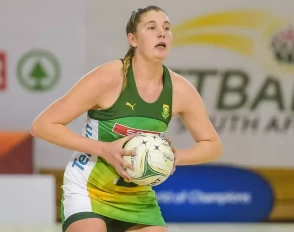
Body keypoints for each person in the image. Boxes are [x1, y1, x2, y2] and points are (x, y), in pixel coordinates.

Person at [30, 5, 222, 232]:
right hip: (89, 190)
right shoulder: (109, 77)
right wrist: (104, 149)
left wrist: (172, 157)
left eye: (167, 28)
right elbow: (42, 125)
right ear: (133, 39)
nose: (162, 33)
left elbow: (212, 145)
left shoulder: (180, 90)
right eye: (151, 28)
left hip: (137, 196)